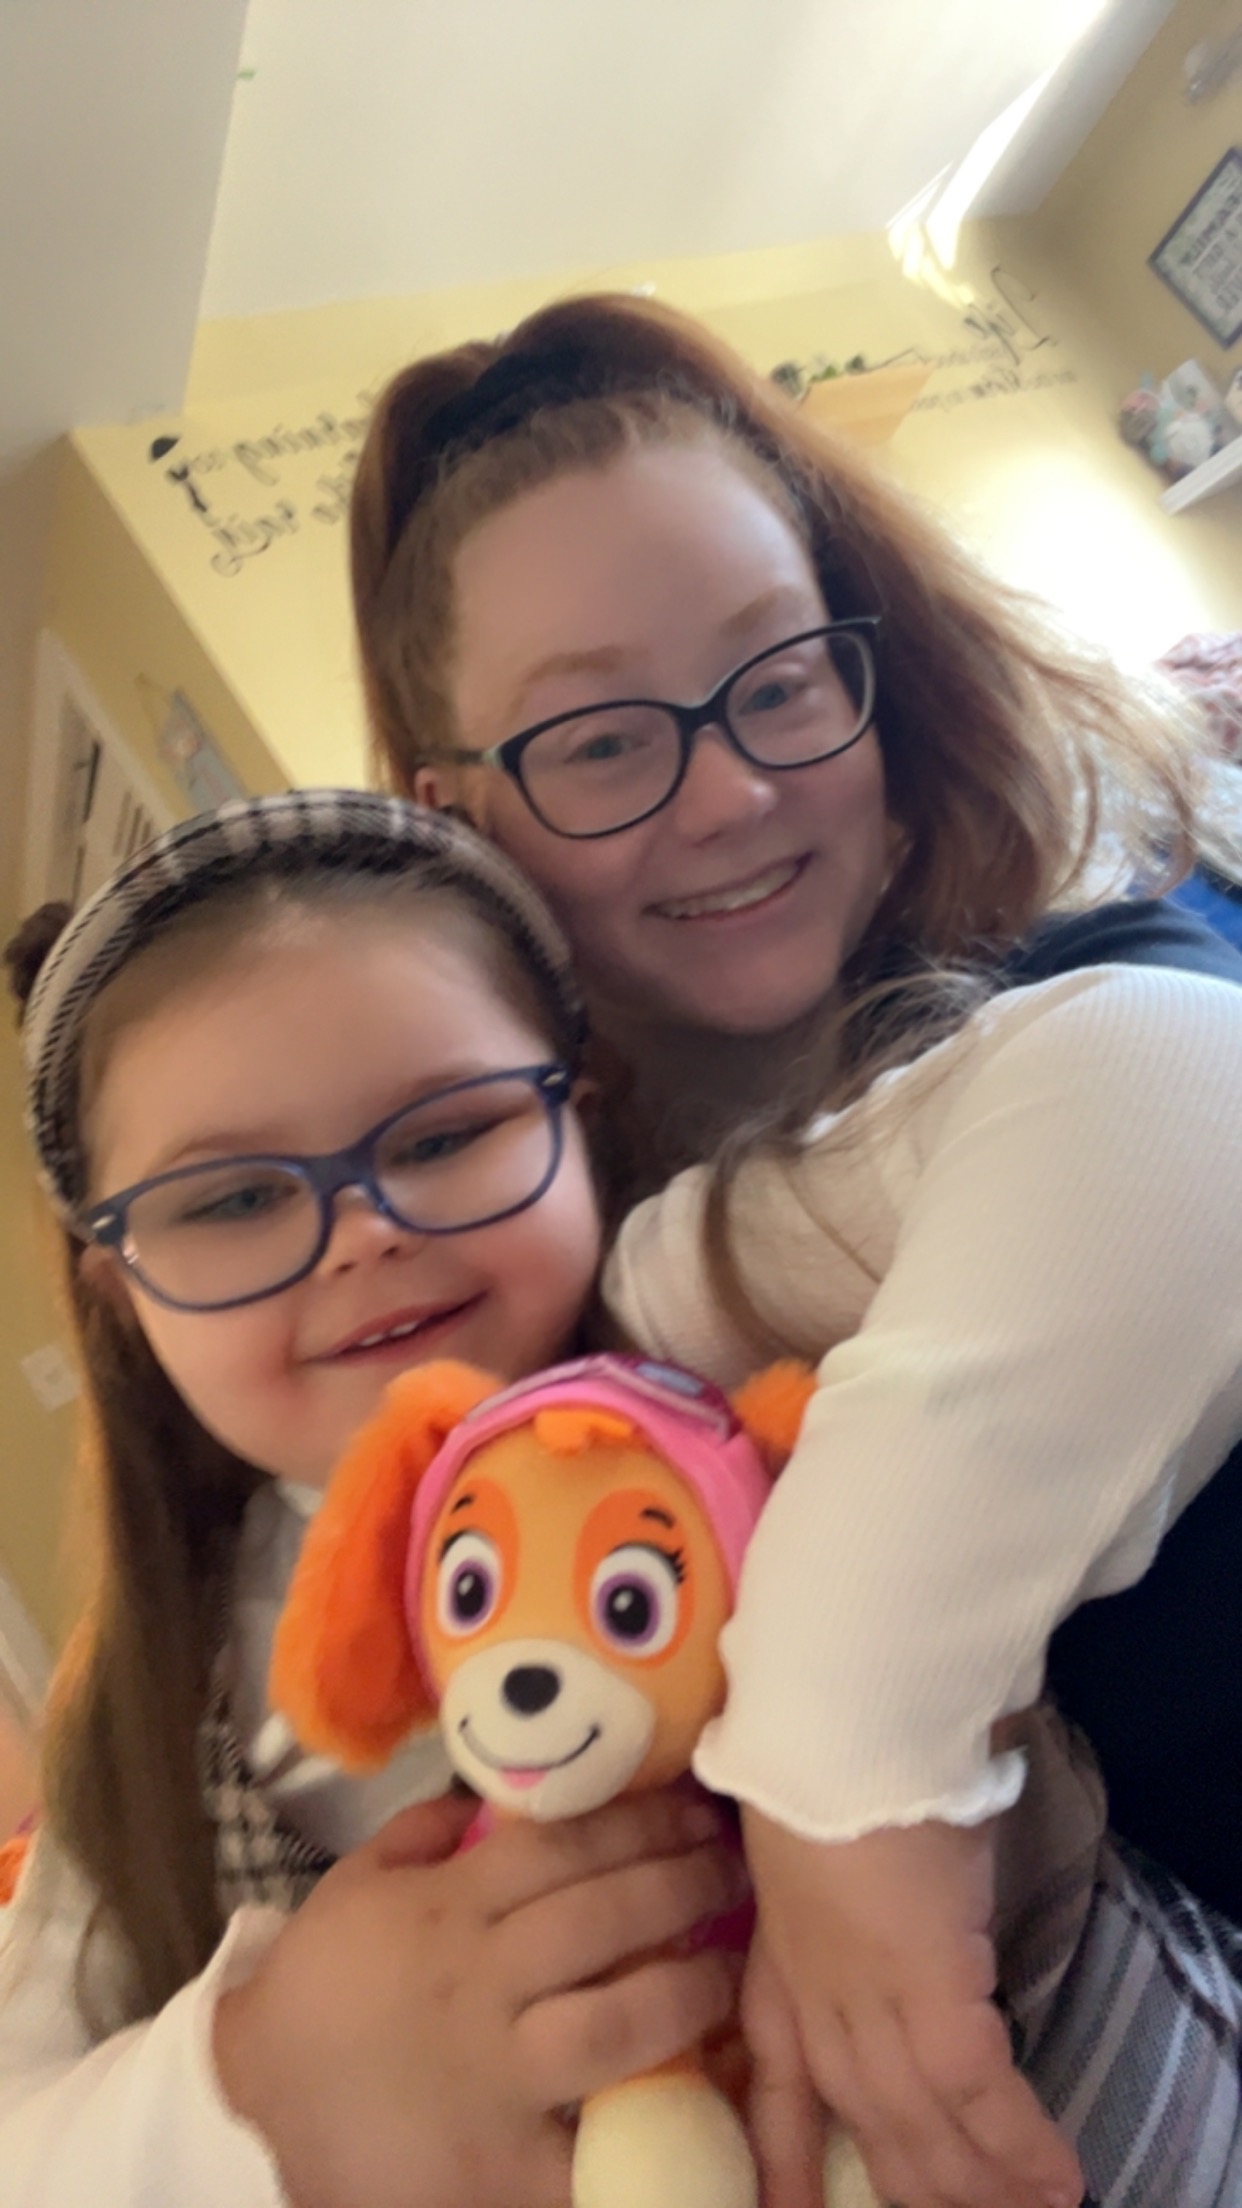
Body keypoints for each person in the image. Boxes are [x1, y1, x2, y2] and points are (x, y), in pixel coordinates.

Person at [349, 291, 1242, 2208]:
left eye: (776, 678)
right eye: (600, 740)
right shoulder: (526, 1263)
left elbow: (1189, 1081)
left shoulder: (1087, 945)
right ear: (459, 816)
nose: (732, 791)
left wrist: (840, 1771)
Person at [0, 791, 746, 2208]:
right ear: (119, 1293)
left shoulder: (763, 1396)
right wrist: (273, 2084)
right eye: (230, 1201)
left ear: (578, 1120)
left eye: (443, 1132)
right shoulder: (150, 1706)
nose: (363, 1233)